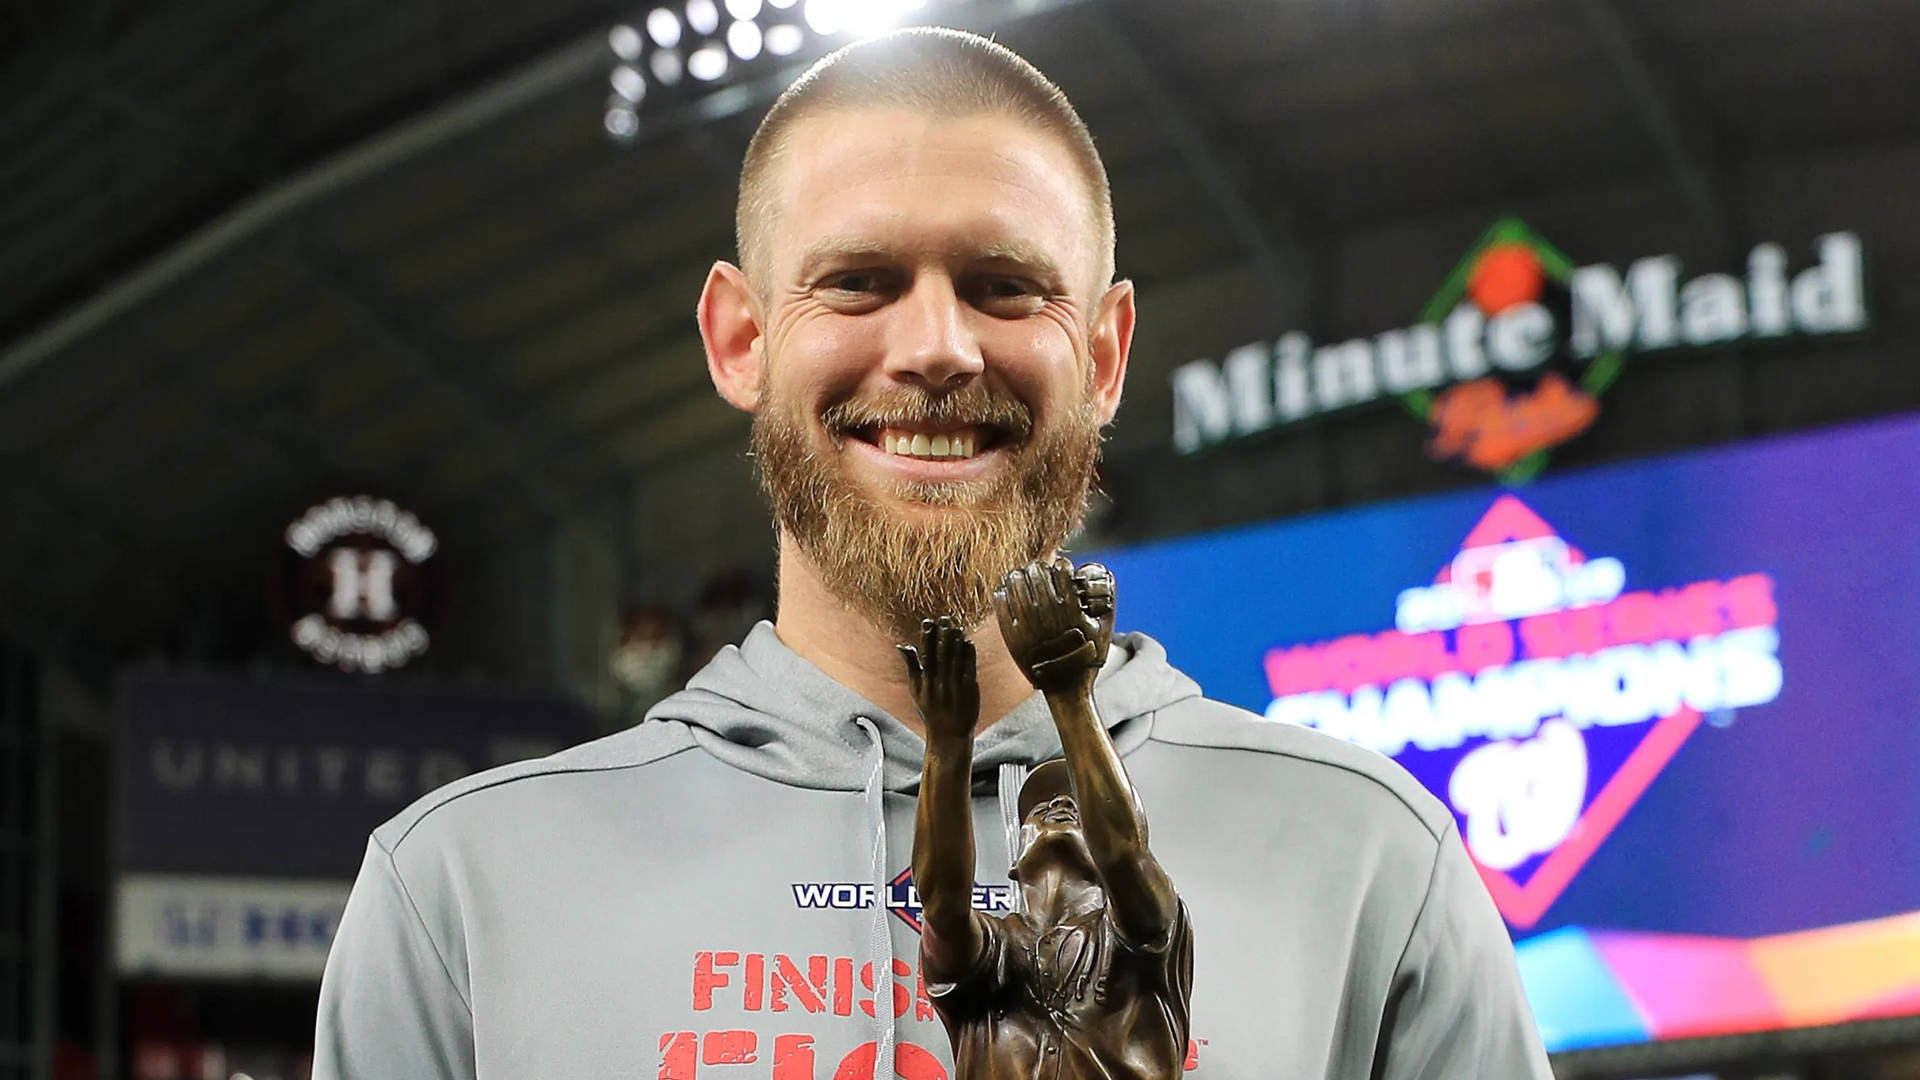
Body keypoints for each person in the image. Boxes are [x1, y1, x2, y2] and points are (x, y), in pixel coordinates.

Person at [313, 26, 1551, 1080]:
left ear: (1107, 354)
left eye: (1006, 286)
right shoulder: (465, 896)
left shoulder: (1368, 865)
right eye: (857, 281)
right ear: (740, 337)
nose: (939, 348)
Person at [903, 563, 1192, 1080]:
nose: (1059, 808)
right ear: (1015, 860)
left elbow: (1126, 853)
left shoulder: (1143, 937)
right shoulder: (995, 953)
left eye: (1078, 808)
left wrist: (1070, 694)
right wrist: (947, 746)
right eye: (1039, 810)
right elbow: (942, 902)